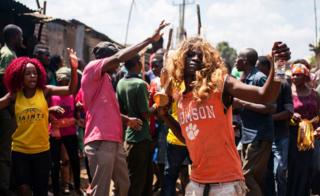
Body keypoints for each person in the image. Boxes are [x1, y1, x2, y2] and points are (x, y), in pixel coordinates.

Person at [157, 37, 289, 195]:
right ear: (180, 60)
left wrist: (280, 65)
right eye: (190, 54)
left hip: (226, 183)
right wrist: (165, 116)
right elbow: (188, 139)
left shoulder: (220, 84)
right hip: (197, 183)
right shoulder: (182, 99)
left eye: (200, 55)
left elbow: (266, 96)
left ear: (208, 61)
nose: (196, 58)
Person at [81, 20, 169, 196]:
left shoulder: (106, 79)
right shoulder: (92, 69)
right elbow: (120, 57)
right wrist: (150, 39)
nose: (119, 66)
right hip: (100, 141)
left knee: (124, 185)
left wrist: (127, 120)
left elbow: (108, 110)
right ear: (105, 59)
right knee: (101, 191)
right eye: (115, 61)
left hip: (115, 140)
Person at [0, 48, 78, 196]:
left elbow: (70, 90)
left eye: (34, 73)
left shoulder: (45, 91)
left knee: (41, 191)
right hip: (20, 151)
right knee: (23, 190)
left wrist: (74, 69)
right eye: (27, 73)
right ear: (19, 76)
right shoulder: (14, 96)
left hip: (42, 151)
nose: (32, 76)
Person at [234, 49, 276, 196]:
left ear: (244, 61)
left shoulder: (260, 78)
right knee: (253, 178)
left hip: (260, 135)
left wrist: (243, 104)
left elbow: (271, 107)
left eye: (237, 58)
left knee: (246, 176)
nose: (235, 61)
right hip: (247, 135)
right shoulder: (243, 79)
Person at [116, 54, 154, 195]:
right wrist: (156, 105)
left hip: (129, 137)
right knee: (140, 181)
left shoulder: (121, 83)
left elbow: (119, 111)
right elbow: (145, 114)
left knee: (134, 178)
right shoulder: (140, 84)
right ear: (138, 64)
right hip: (141, 138)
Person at [257, 56, 293, 196]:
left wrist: (269, 118)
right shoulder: (256, 85)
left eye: (258, 68)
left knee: (279, 173)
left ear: (267, 69)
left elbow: (289, 112)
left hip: (280, 136)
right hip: (263, 138)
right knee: (265, 174)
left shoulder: (283, 85)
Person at [287, 62, 320, 196]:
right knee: (294, 167)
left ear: (306, 77)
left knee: (309, 167)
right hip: (292, 135)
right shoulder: (288, 92)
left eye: (298, 75)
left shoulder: (314, 94)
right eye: (293, 75)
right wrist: (291, 116)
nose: (294, 77)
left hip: (310, 136)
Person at [48, 66, 83, 196]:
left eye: (66, 79)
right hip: (55, 134)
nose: (63, 81)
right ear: (57, 79)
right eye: (61, 79)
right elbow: (46, 111)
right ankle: (56, 190)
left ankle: (78, 187)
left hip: (70, 133)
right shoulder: (51, 93)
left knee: (74, 160)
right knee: (55, 164)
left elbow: (76, 113)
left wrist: (78, 110)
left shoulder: (72, 94)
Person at [0, 24, 23, 196]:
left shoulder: (10, 53)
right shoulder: (7, 54)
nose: (22, 39)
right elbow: (4, 81)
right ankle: (4, 187)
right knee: (5, 151)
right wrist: (8, 105)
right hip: (5, 109)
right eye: (20, 36)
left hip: (8, 108)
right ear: (14, 36)